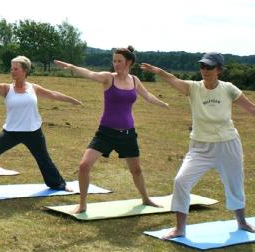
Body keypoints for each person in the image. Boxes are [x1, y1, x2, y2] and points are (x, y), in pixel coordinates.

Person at [141, 52, 255, 239]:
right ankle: (180, 228)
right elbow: (172, 79)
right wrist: (158, 71)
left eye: (209, 67)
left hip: (228, 144)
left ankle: (242, 222)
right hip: (200, 147)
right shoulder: (193, 88)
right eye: (202, 66)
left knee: (235, 183)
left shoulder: (229, 89)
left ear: (219, 69)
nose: (205, 70)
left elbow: (251, 108)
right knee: (181, 181)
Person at [54, 46, 169, 214]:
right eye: (114, 61)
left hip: (128, 133)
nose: (115, 64)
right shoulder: (108, 78)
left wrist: (163, 104)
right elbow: (89, 74)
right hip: (106, 132)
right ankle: (82, 204)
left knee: (136, 170)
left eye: (119, 61)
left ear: (129, 62)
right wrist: (72, 67)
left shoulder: (135, 80)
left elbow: (148, 96)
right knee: (84, 165)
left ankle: (146, 198)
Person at [0, 56, 81, 194]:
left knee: (44, 159)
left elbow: (53, 94)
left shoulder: (34, 88)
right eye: (11, 68)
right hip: (11, 132)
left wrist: (72, 100)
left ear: (25, 70)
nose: (12, 71)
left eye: (16, 69)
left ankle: (59, 184)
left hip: (33, 132)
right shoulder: (6, 89)